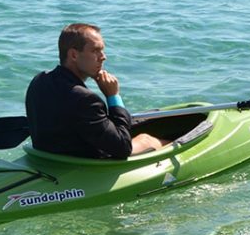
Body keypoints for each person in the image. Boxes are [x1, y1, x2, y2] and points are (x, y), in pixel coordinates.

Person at [26, 23, 167, 159]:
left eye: (102, 50)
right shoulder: (86, 99)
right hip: (85, 161)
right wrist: (113, 96)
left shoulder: (39, 80)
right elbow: (123, 147)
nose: (103, 57)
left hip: (49, 155)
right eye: (95, 50)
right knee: (146, 139)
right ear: (74, 55)